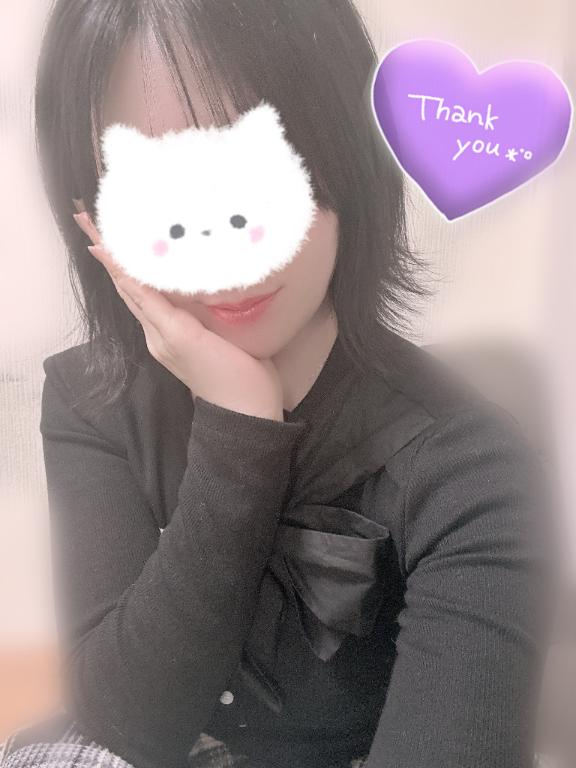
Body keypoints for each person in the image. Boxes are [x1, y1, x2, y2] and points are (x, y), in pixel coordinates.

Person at [0, 1, 558, 767]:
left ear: (350, 148)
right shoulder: (91, 398)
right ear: (91, 212)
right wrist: (239, 428)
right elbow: (126, 724)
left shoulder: (472, 469)